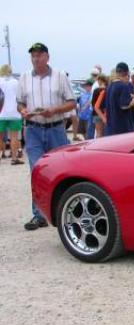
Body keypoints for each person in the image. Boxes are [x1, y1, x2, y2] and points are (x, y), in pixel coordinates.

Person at [16, 42, 76, 230]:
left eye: (40, 55)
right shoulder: (24, 78)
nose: (36, 58)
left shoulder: (59, 76)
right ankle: (39, 215)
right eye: (33, 55)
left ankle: (65, 211)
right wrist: (24, 111)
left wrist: (55, 110)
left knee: (62, 170)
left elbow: (72, 102)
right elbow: (20, 103)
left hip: (56, 128)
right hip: (33, 130)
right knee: (37, 171)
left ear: (47, 57)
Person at [0, 64, 24, 165]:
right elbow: (21, 97)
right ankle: (14, 159)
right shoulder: (16, 82)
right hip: (15, 113)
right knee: (14, 137)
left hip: (1, 113)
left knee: (0, 137)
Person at [105, 62, 134, 135]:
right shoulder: (123, 86)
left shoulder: (110, 86)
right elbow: (124, 105)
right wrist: (133, 102)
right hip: (122, 127)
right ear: (127, 72)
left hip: (111, 126)